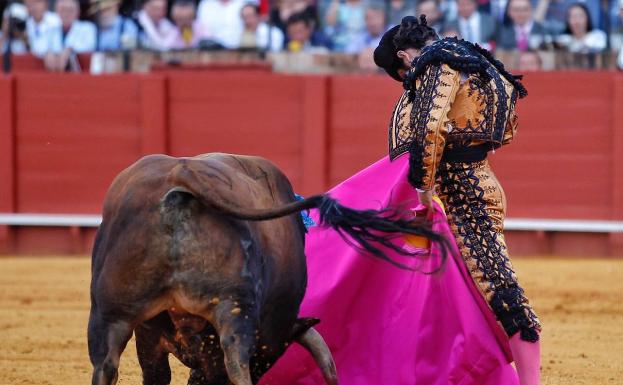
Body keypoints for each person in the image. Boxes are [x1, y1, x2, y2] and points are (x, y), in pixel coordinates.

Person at [374, 15, 541, 385]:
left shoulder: (435, 61)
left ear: (403, 57)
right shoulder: (475, 59)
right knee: (449, 291)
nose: (406, 83)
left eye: (402, 75)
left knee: (496, 285)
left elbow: (429, 128)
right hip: (476, 181)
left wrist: (423, 189)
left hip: (464, 194)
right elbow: (506, 125)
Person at [45, 0, 97, 71]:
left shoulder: (88, 28)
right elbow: (38, 46)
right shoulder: (50, 29)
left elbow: (90, 45)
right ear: (57, 11)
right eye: (63, 10)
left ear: (78, 12)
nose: (66, 14)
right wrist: (47, 52)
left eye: (70, 10)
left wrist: (69, 50)